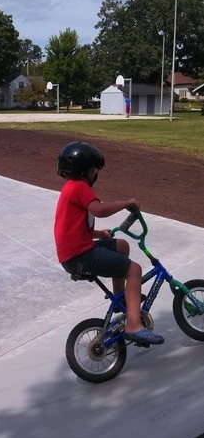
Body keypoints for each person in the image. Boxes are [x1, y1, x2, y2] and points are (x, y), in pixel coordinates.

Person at [54, 141, 164, 345]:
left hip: (75, 252)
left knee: (121, 246)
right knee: (134, 270)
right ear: (87, 171)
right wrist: (125, 204)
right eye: (95, 169)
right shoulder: (80, 187)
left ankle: (120, 297)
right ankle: (133, 325)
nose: (96, 174)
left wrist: (97, 233)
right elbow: (98, 210)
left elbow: (71, 226)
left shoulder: (70, 187)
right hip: (81, 256)